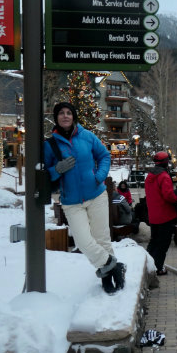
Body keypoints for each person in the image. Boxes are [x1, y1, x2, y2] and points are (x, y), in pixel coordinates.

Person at [46, 100, 125, 294]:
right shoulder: (50, 145)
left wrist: (99, 177)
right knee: (83, 241)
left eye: (68, 113)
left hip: (96, 195)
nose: (65, 116)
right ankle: (114, 266)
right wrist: (57, 169)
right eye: (61, 113)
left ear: (73, 117)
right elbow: (45, 174)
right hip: (71, 201)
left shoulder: (87, 136)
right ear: (56, 118)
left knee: (102, 239)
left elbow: (104, 156)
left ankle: (108, 278)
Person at [144, 150, 177, 276]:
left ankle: (146, 265)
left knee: (154, 241)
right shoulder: (164, 176)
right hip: (165, 215)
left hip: (154, 215)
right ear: (166, 162)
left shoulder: (150, 176)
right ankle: (158, 267)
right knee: (163, 244)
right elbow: (168, 195)